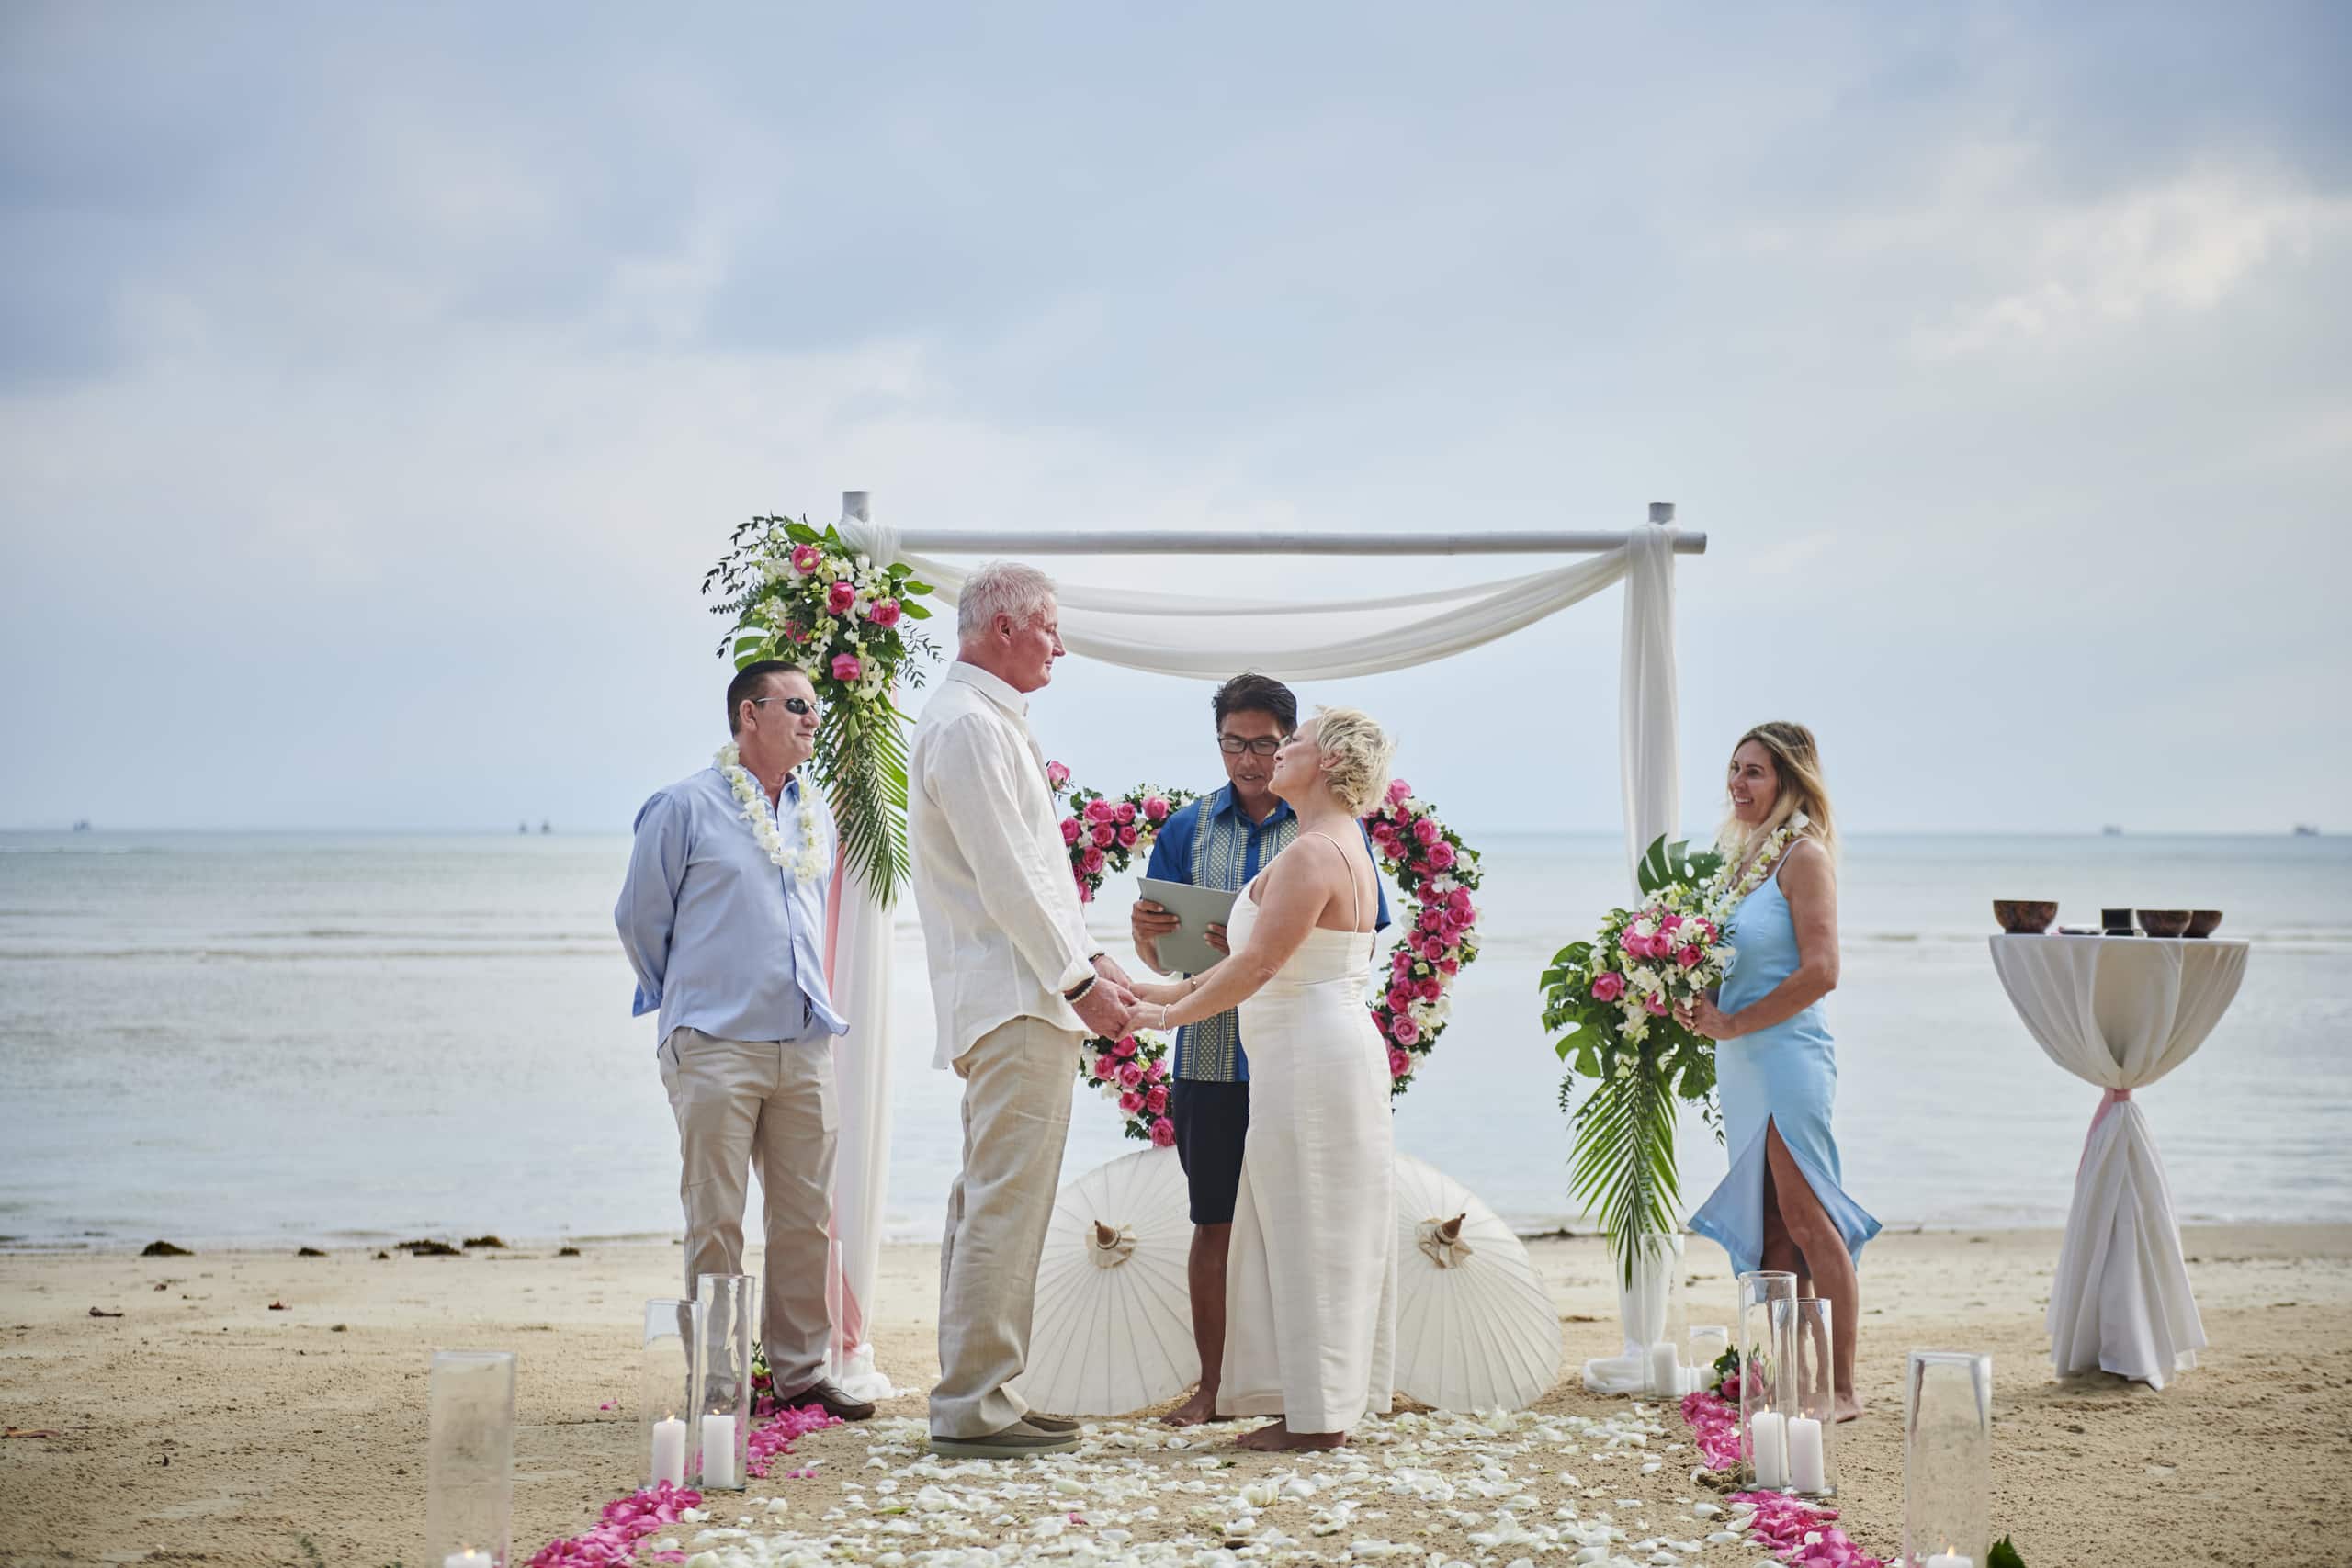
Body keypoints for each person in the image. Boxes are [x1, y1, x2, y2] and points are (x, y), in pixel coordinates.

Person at [909, 560, 1141, 1458]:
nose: (1061, 644)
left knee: (990, 1200)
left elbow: (1034, 877)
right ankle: (973, 1403)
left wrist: (1092, 962)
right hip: (1014, 998)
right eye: (1049, 626)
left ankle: (981, 1389)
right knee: (1003, 1203)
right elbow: (1007, 878)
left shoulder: (984, 721)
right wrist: (1078, 985)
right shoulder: (968, 726)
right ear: (1001, 627)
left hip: (1018, 990)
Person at [1132, 708, 1397, 1451]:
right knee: (1298, 1224)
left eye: (1295, 741)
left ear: (1331, 760)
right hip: (1302, 1051)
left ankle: (1316, 1419)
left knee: (1313, 1228)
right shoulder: (1320, 843)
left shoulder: (1316, 853)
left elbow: (1257, 966)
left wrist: (1162, 1022)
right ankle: (1313, 1401)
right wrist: (1153, 991)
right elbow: (1240, 960)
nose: (1280, 750)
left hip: (1313, 1056)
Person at [614, 660, 873, 1421]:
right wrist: (693, 1001)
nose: (812, 720)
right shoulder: (682, 806)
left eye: (814, 708)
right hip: (716, 1043)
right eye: (797, 705)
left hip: (803, 1041)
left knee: (805, 1217)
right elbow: (639, 919)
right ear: (748, 714)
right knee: (716, 1217)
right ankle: (721, 1384)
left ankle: (798, 1374)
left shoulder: (811, 809)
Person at [1679, 721, 1880, 1422]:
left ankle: (1844, 1385)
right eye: (1734, 768)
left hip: (1788, 1058)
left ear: (1791, 780)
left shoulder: (1803, 855)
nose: (1737, 782)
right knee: (1766, 1231)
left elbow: (1822, 970)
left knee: (1808, 1216)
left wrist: (1735, 1020)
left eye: (1755, 771)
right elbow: (1735, 963)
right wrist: (1698, 1002)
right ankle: (1795, 1378)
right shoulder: (1743, 862)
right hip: (1739, 1063)